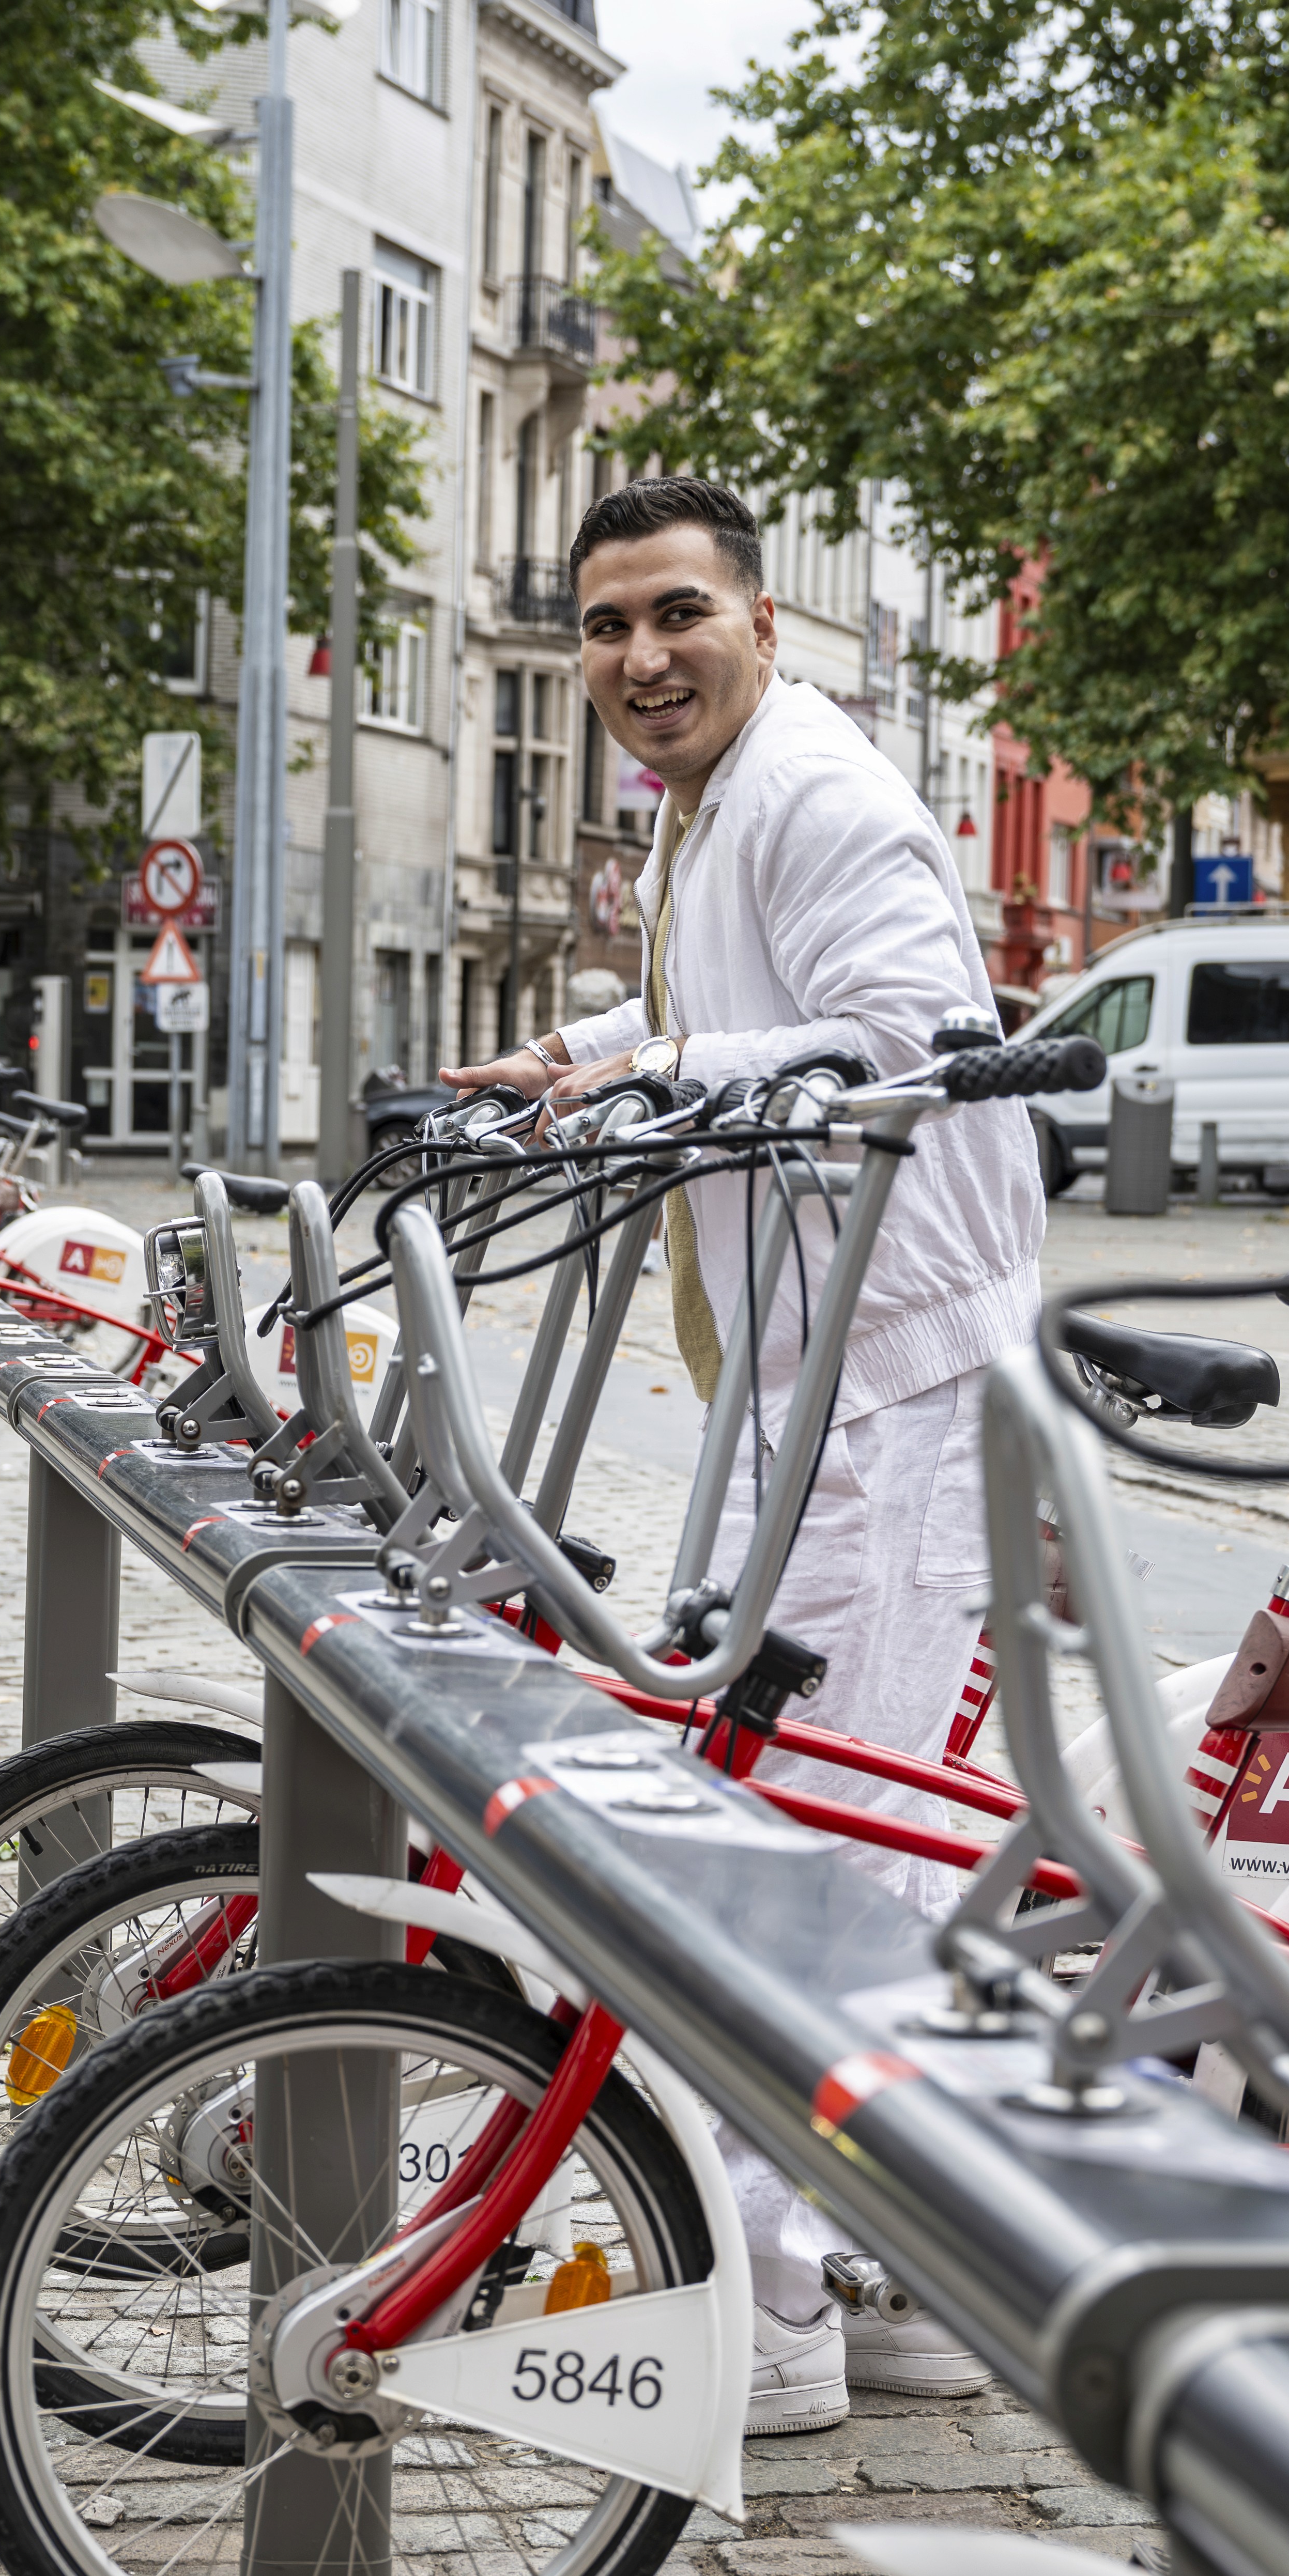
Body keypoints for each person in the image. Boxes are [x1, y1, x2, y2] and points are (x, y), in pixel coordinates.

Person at [438, 473, 1031, 2429]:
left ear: (765, 621)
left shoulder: (819, 793)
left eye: (675, 615)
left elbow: (911, 1030)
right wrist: (602, 1050)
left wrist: (651, 1080)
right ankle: (898, 2266)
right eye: (604, 628)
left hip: (886, 1370)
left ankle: (765, 2309)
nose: (636, 660)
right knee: (864, 1836)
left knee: (819, 1852)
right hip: (819, 1365)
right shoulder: (711, 800)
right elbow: (735, 1002)